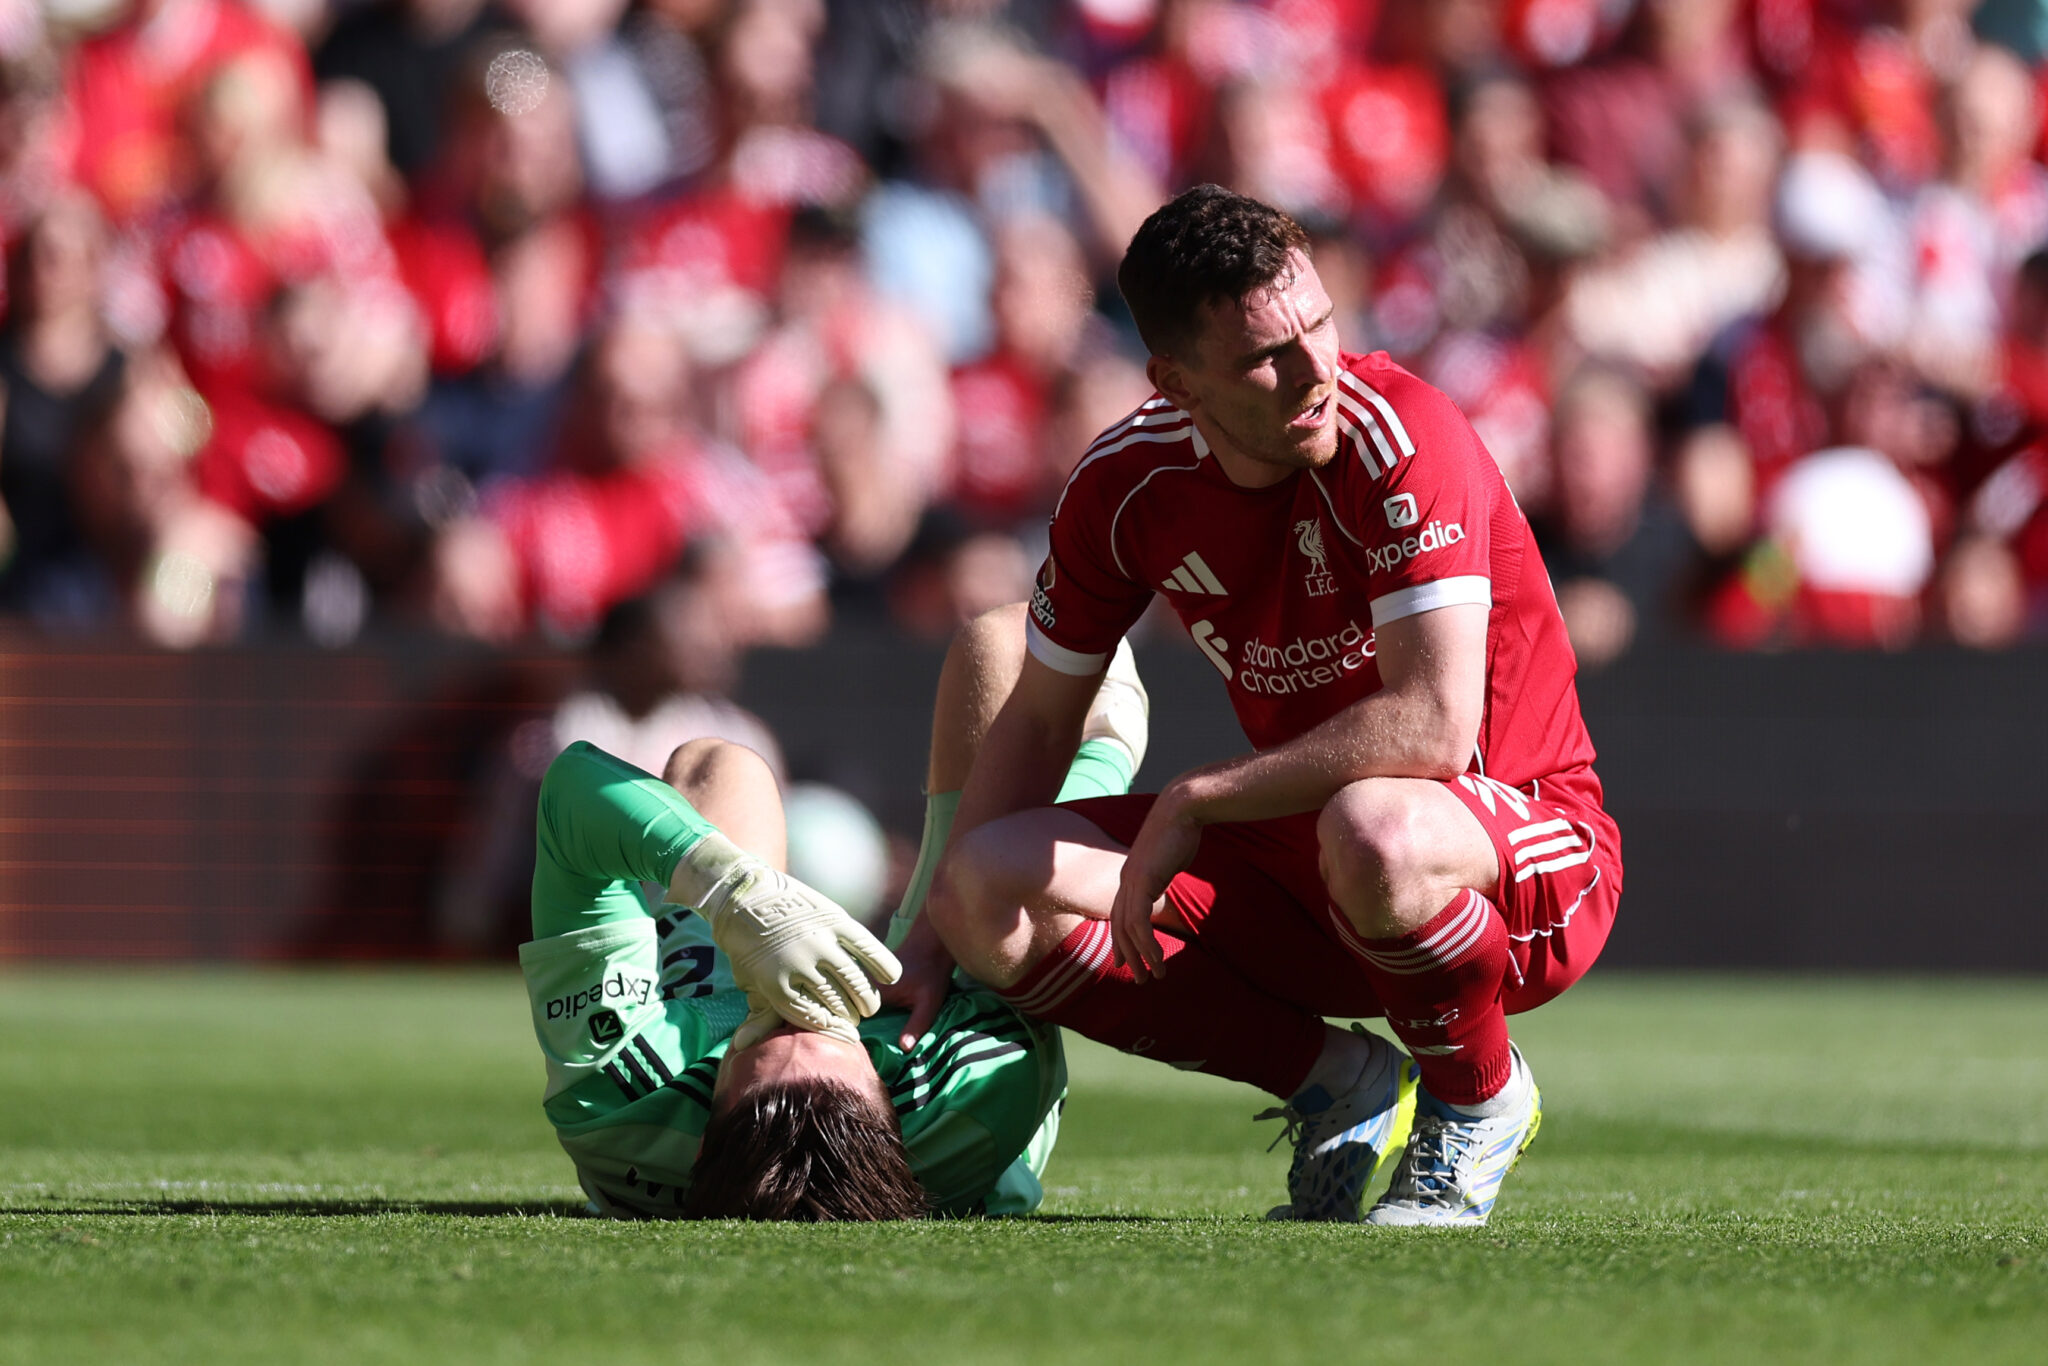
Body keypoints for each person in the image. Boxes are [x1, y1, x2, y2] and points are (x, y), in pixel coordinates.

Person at [909, 185, 1623, 1227]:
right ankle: (1335, 1077)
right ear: (1174, 380)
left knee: (1374, 825)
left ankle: (1477, 1099)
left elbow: (1432, 728)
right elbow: (1035, 718)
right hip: (1308, 869)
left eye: (1320, 324)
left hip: (1519, 857)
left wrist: (1199, 794)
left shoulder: (1404, 435)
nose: (1313, 369)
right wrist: (931, 938)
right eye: (1262, 356)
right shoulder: (1124, 486)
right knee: (981, 890)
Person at [518, 609, 1150, 1220]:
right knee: (1004, 645)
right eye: (824, 1032)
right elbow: (1017, 888)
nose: (800, 1006)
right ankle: (1112, 732)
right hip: (924, 1030)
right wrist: (935, 939)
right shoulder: (971, 1092)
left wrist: (736, 894)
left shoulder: (618, 1100)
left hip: (703, 1043)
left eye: (768, 1037)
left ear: (704, 1132)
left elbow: (572, 792)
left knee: (720, 767)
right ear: (887, 1099)